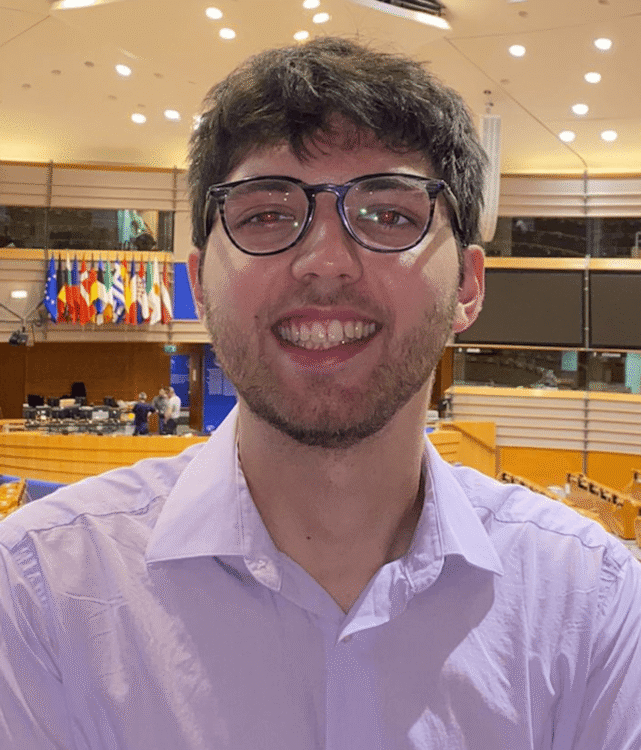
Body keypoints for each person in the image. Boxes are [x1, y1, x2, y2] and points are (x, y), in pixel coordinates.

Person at [0, 37, 639, 750]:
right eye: (265, 215)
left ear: (466, 285)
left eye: (389, 215)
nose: (326, 262)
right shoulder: (35, 594)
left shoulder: (592, 605)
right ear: (200, 286)